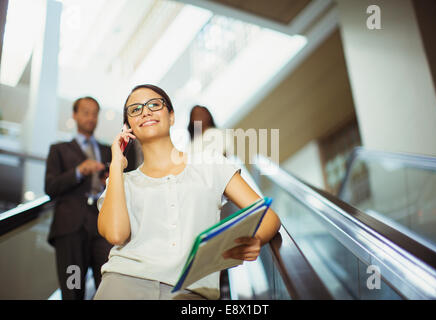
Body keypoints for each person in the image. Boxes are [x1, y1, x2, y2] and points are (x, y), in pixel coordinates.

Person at [93, 84, 281, 300]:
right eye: (135, 109)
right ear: (129, 128)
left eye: (154, 104)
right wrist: (116, 164)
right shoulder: (121, 181)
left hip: (191, 293)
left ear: (171, 116)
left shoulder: (210, 163)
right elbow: (116, 234)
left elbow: (268, 217)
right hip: (121, 286)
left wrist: (254, 239)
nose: (145, 111)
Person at [44, 97, 113, 300]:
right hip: (71, 230)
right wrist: (78, 171)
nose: (91, 117)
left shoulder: (107, 150)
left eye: (94, 113)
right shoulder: (59, 150)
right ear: (74, 115)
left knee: (108, 284)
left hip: (102, 227)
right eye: (85, 112)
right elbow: (50, 187)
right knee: (72, 288)